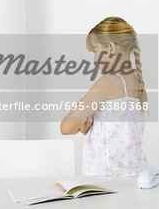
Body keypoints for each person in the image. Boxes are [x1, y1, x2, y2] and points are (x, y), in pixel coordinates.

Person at [61, 17, 148, 177]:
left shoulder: (108, 82)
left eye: (95, 51)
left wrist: (79, 116)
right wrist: (91, 123)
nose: (94, 59)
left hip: (104, 178)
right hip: (133, 175)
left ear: (111, 48)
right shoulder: (136, 82)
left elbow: (66, 127)